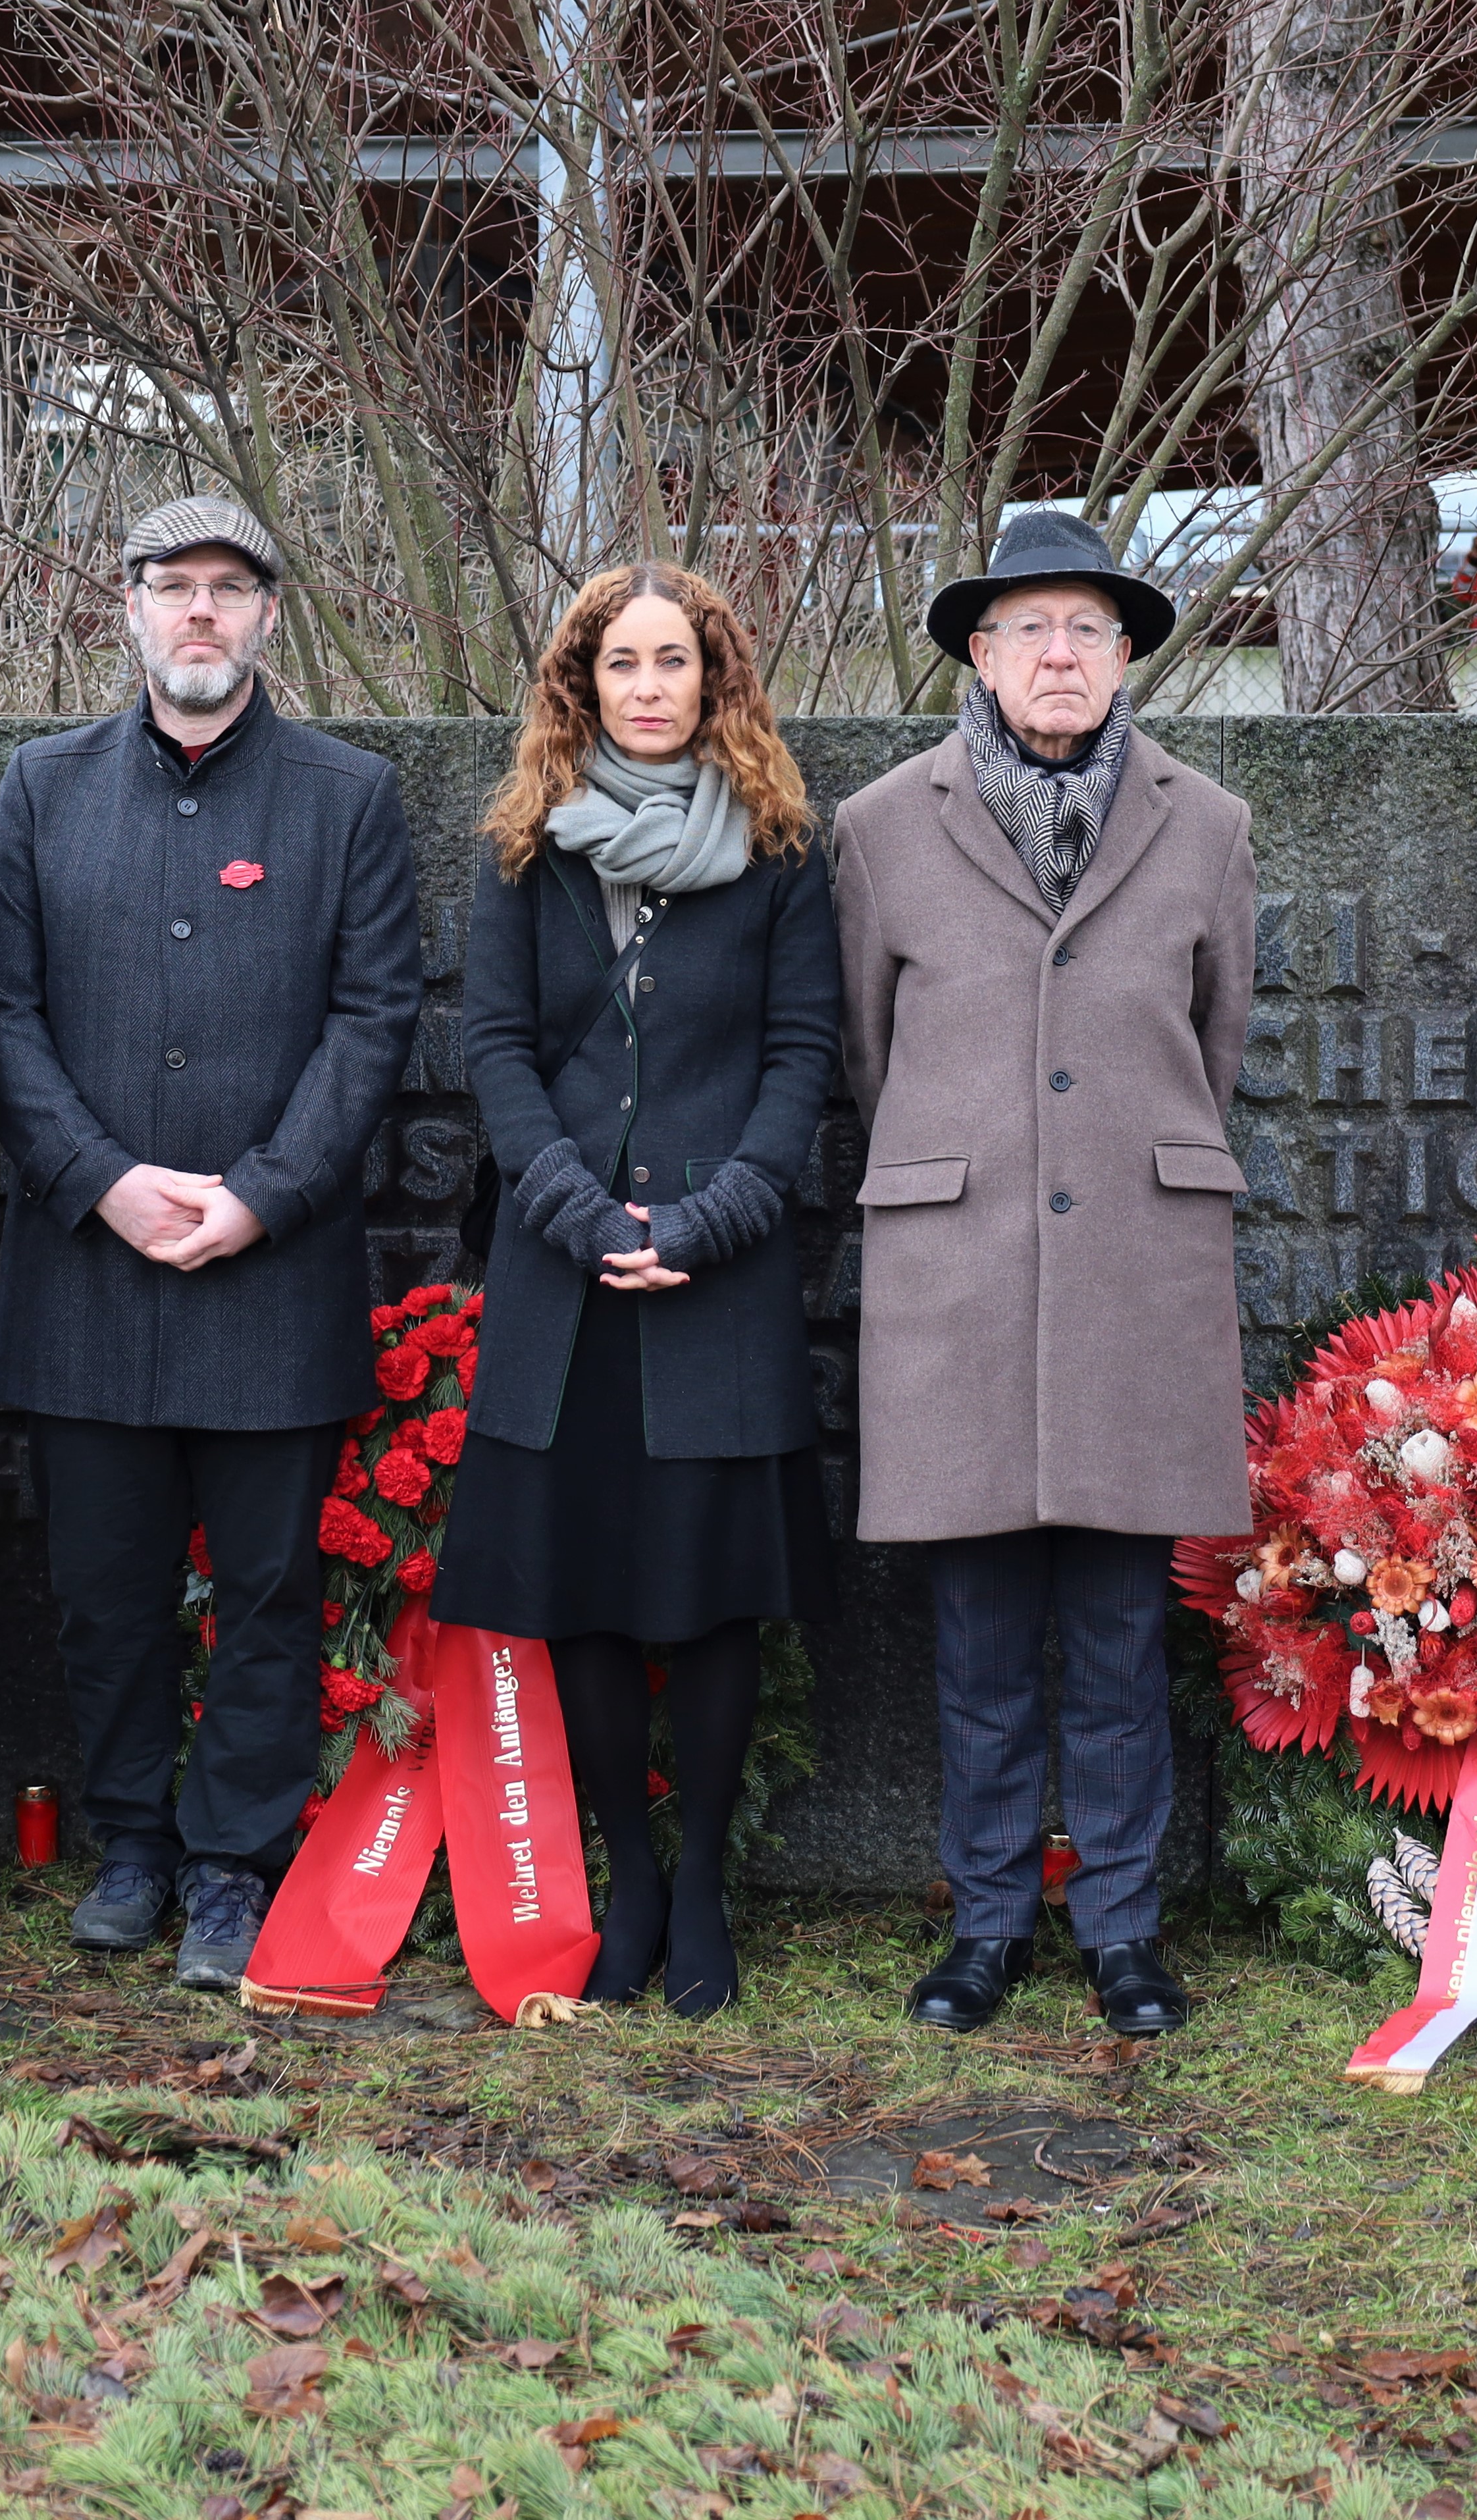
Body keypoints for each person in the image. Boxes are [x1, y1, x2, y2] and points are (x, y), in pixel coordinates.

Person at [0, 494, 423, 1992]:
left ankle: (235, 1863)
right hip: (89, 1272)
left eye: (231, 589)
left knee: (270, 1595)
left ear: (271, 615)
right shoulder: (41, 792)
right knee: (102, 1591)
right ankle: (132, 1847)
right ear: (130, 608)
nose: (202, 615)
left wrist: (262, 1192)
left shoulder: (349, 797)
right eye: (176, 588)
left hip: (270, 1272)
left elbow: (374, 1024)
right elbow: (0, 1017)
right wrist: (99, 1179)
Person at [835, 510, 1255, 2041]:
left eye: (1087, 628)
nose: (1060, 655)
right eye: (1029, 630)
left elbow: (1211, 1043)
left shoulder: (1207, 823)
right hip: (961, 1276)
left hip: (1137, 1275)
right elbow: (871, 1058)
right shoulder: (884, 825)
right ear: (979, 654)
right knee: (982, 1636)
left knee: (1120, 1632)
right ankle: (990, 1923)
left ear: (1129, 652)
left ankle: (1125, 1930)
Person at [438, 563, 839, 2020]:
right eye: (626, 664)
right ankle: (634, 1882)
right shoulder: (523, 851)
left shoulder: (785, 853)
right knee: (587, 1598)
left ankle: (711, 1886)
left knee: (709, 1602)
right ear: (583, 684)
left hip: (715, 1284)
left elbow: (803, 1059)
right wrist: (573, 1208)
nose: (652, 686)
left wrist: (721, 1214)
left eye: (678, 662)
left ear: (716, 681)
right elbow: (493, 1052)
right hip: (566, 1284)